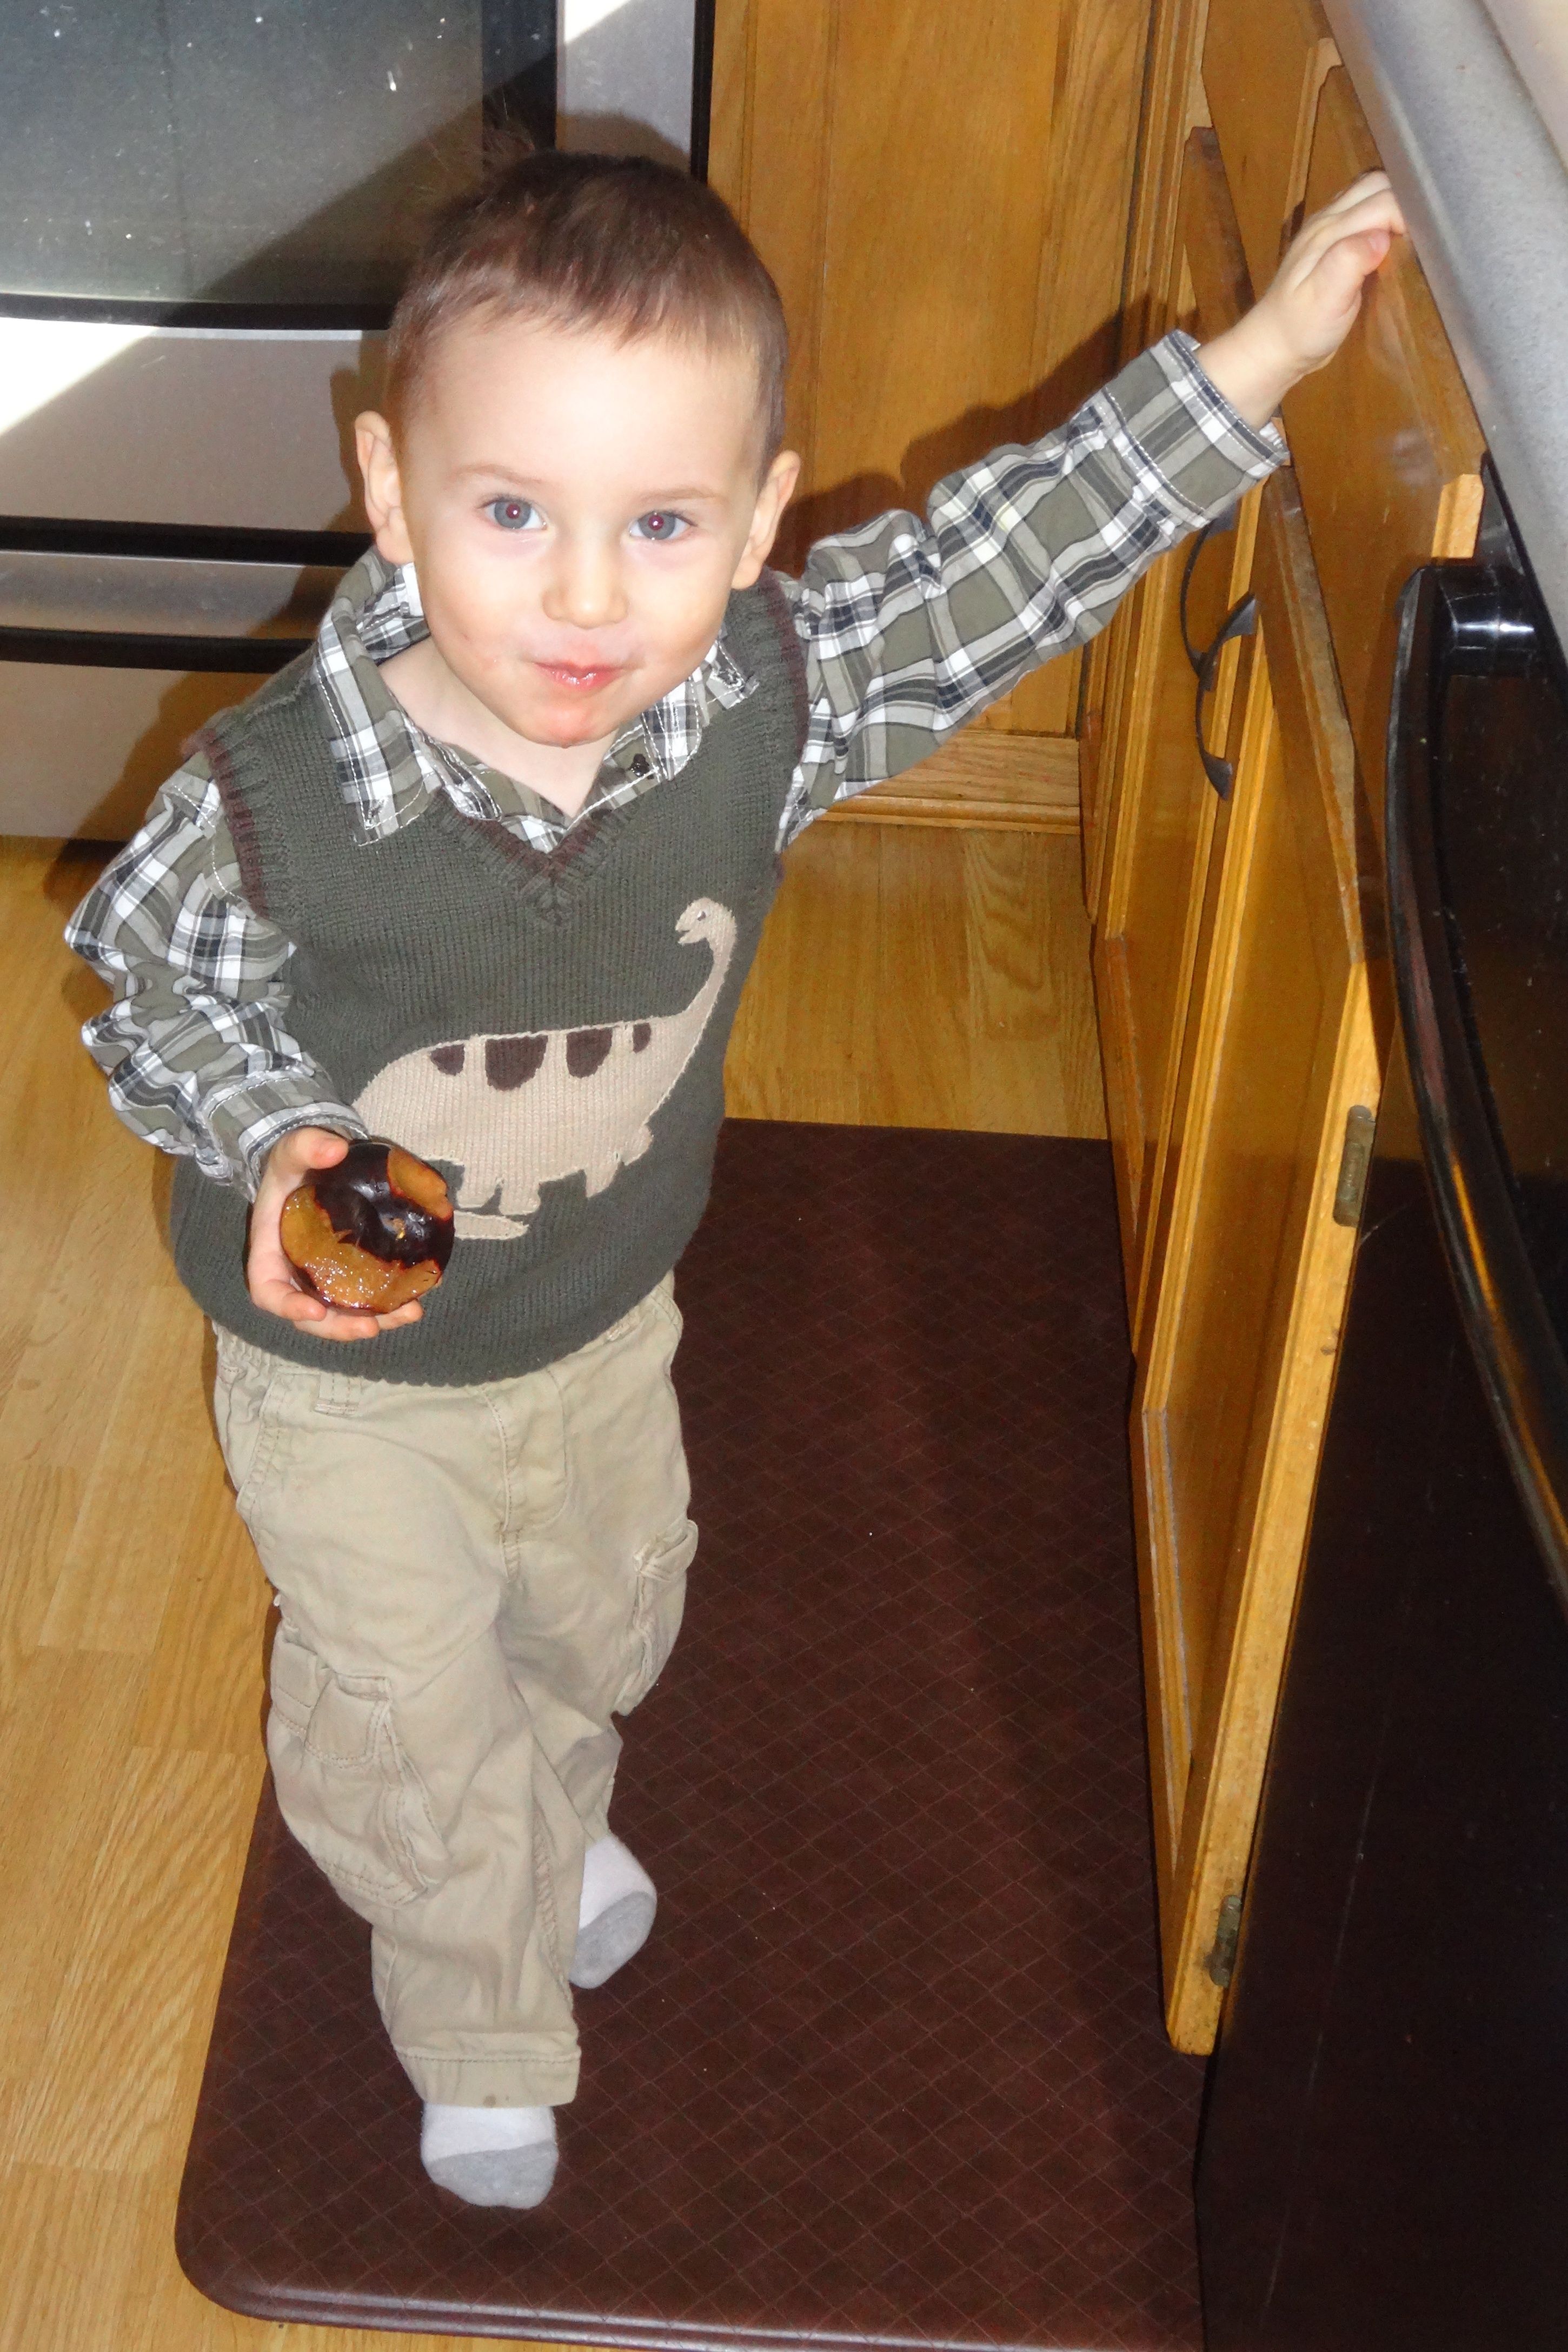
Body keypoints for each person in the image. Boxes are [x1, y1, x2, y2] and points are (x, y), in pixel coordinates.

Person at [67, 149, 1403, 2210]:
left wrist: (1262, 358)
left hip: (604, 1321)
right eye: (513, 512)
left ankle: (540, 1818)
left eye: (662, 524)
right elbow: (141, 976)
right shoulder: (268, 801)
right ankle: (479, 2006)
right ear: (392, 490)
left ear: (759, 522)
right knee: (407, 1704)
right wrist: (273, 1136)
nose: (587, 599)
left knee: (597, 1621)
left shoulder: (755, 705)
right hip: (345, 1384)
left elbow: (999, 563)